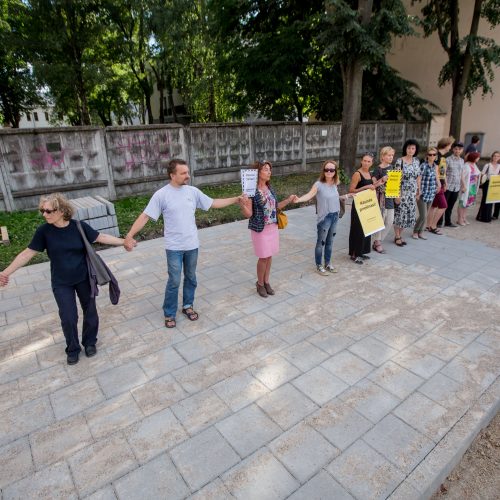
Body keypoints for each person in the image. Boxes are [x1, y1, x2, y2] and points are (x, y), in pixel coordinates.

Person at [0, 193, 131, 365]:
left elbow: (101, 237)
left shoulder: (78, 226)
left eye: (48, 211)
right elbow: (27, 253)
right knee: (68, 317)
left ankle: (90, 342)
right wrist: (5, 273)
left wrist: (124, 242)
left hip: (84, 278)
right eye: (42, 211)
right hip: (61, 282)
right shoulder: (44, 232)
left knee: (90, 311)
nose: (44, 214)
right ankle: (73, 348)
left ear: (62, 211)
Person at [124, 158, 242, 328]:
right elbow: (145, 216)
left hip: (192, 245)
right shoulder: (161, 195)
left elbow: (213, 202)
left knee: (191, 277)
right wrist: (129, 235)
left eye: (187, 172)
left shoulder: (192, 192)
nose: (187, 175)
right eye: (183, 173)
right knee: (174, 280)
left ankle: (188, 305)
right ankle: (169, 313)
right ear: (172, 175)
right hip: (174, 247)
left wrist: (236, 199)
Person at [240, 160, 296, 296]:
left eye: (269, 169)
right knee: (263, 257)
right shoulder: (251, 191)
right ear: (258, 173)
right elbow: (249, 214)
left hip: (272, 227)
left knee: (269, 256)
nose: (269, 171)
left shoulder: (270, 188)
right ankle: (259, 284)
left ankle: (266, 282)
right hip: (260, 229)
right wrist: (242, 204)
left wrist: (289, 200)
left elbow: (275, 207)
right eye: (266, 169)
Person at [294, 160, 351, 275]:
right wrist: (299, 199)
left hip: (335, 216)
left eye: (332, 170)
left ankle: (328, 263)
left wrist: (345, 196)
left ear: (335, 171)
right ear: (323, 171)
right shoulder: (318, 184)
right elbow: (309, 195)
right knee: (321, 242)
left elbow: (333, 198)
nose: (329, 172)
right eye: (327, 170)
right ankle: (319, 265)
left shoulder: (335, 183)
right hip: (325, 218)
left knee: (330, 241)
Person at [348, 154, 384, 264]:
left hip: (367, 204)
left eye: (368, 161)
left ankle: (361, 252)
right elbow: (351, 190)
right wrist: (366, 187)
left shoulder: (370, 173)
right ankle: (354, 254)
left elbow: (372, 187)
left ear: (372, 163)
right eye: (364, 160)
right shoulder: (357, 174)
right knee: (357, 229)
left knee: (366, 229)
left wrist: (380, 182)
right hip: (359, 205)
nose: (366, 163)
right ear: (361, 161)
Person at [393, 140, 421, 246]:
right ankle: (397, 236)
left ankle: (400, 234)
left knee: (409, 214)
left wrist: (419, 190)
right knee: (400, 214)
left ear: (415, 150)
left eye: (413, 148)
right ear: (405, 149)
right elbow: (396, 179)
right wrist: (397, 194)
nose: (410, 150)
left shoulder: (416, 161)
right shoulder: (400, 161)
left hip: (412, 193)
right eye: (409, 148)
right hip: (402, 191)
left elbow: (418, 176)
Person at [371, 146, 395, 253]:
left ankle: (378, 240)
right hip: (380, 199)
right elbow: (373, 185)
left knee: (389, 221)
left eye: (392, 155)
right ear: (383, 156)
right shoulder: (378, 169)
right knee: (380, 221)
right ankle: (377, 242)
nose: (391, 157)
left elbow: (395, 184)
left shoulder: (393, 168)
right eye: (389, 155)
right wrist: (382, 179)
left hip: (390, 198)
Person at [427, 136, 453, 234]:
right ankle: (433, 226)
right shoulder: (436, 155)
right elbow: (435, 171)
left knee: (433, 206)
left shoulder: (443, 156)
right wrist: (439, 184)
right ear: (446, 145)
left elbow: (443, 171)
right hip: (436, 184)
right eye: (450, 145)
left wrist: (445, 182)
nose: (450, 148)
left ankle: (428, 225)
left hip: (440, 183)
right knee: (443, 205)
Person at [413, 147, 440, 239]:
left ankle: (420, 232)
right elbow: (419, 178)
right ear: (427, 156)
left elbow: (436, 177)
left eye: (434, 154)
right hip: (422, 193)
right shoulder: (423, 166)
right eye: (430, 154)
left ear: (436, 156)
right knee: (423, 215)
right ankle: (415, 231)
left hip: (431, 192)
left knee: (426, 214)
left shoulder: (436, 166)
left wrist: (439, 184)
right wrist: (418, 190)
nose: (432, 156)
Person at [443, 141, 465, 227]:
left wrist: (463, 185)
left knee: (451, 206)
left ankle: (448, 222)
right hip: (448, 186)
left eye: (459, 149)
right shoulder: (447, 160)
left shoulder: (462, 161)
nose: (458, 151)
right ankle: (439, 222)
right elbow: (443, 173)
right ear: (453, 149)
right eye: (456, 149)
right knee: (443, 205)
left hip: (456, 187)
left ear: (462, 150)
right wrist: (445, 184)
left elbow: (461, 174)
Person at [457, 152, 481, 225]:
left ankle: (464, 218)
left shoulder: (474, 165)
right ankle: (460, 219)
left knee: (467, 203)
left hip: (472, 187)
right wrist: (464, 186)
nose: (478, 159)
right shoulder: (466, 165)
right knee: (462, 203)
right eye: (477, 157)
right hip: (466, 186)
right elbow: (462, 176)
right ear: (474, 158)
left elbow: (477, 173)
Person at [476, 151, 500, 223]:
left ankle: (488, 216)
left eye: (498, 156)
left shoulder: (499, 166)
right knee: (485, 199)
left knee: (491, 200)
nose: (496, 157)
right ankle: (482, 217)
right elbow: (482, 174)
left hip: (495, 184)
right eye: (494, 156)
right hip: (487, 183)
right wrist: (484, 176)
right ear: (492, 157)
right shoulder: (487, 165)